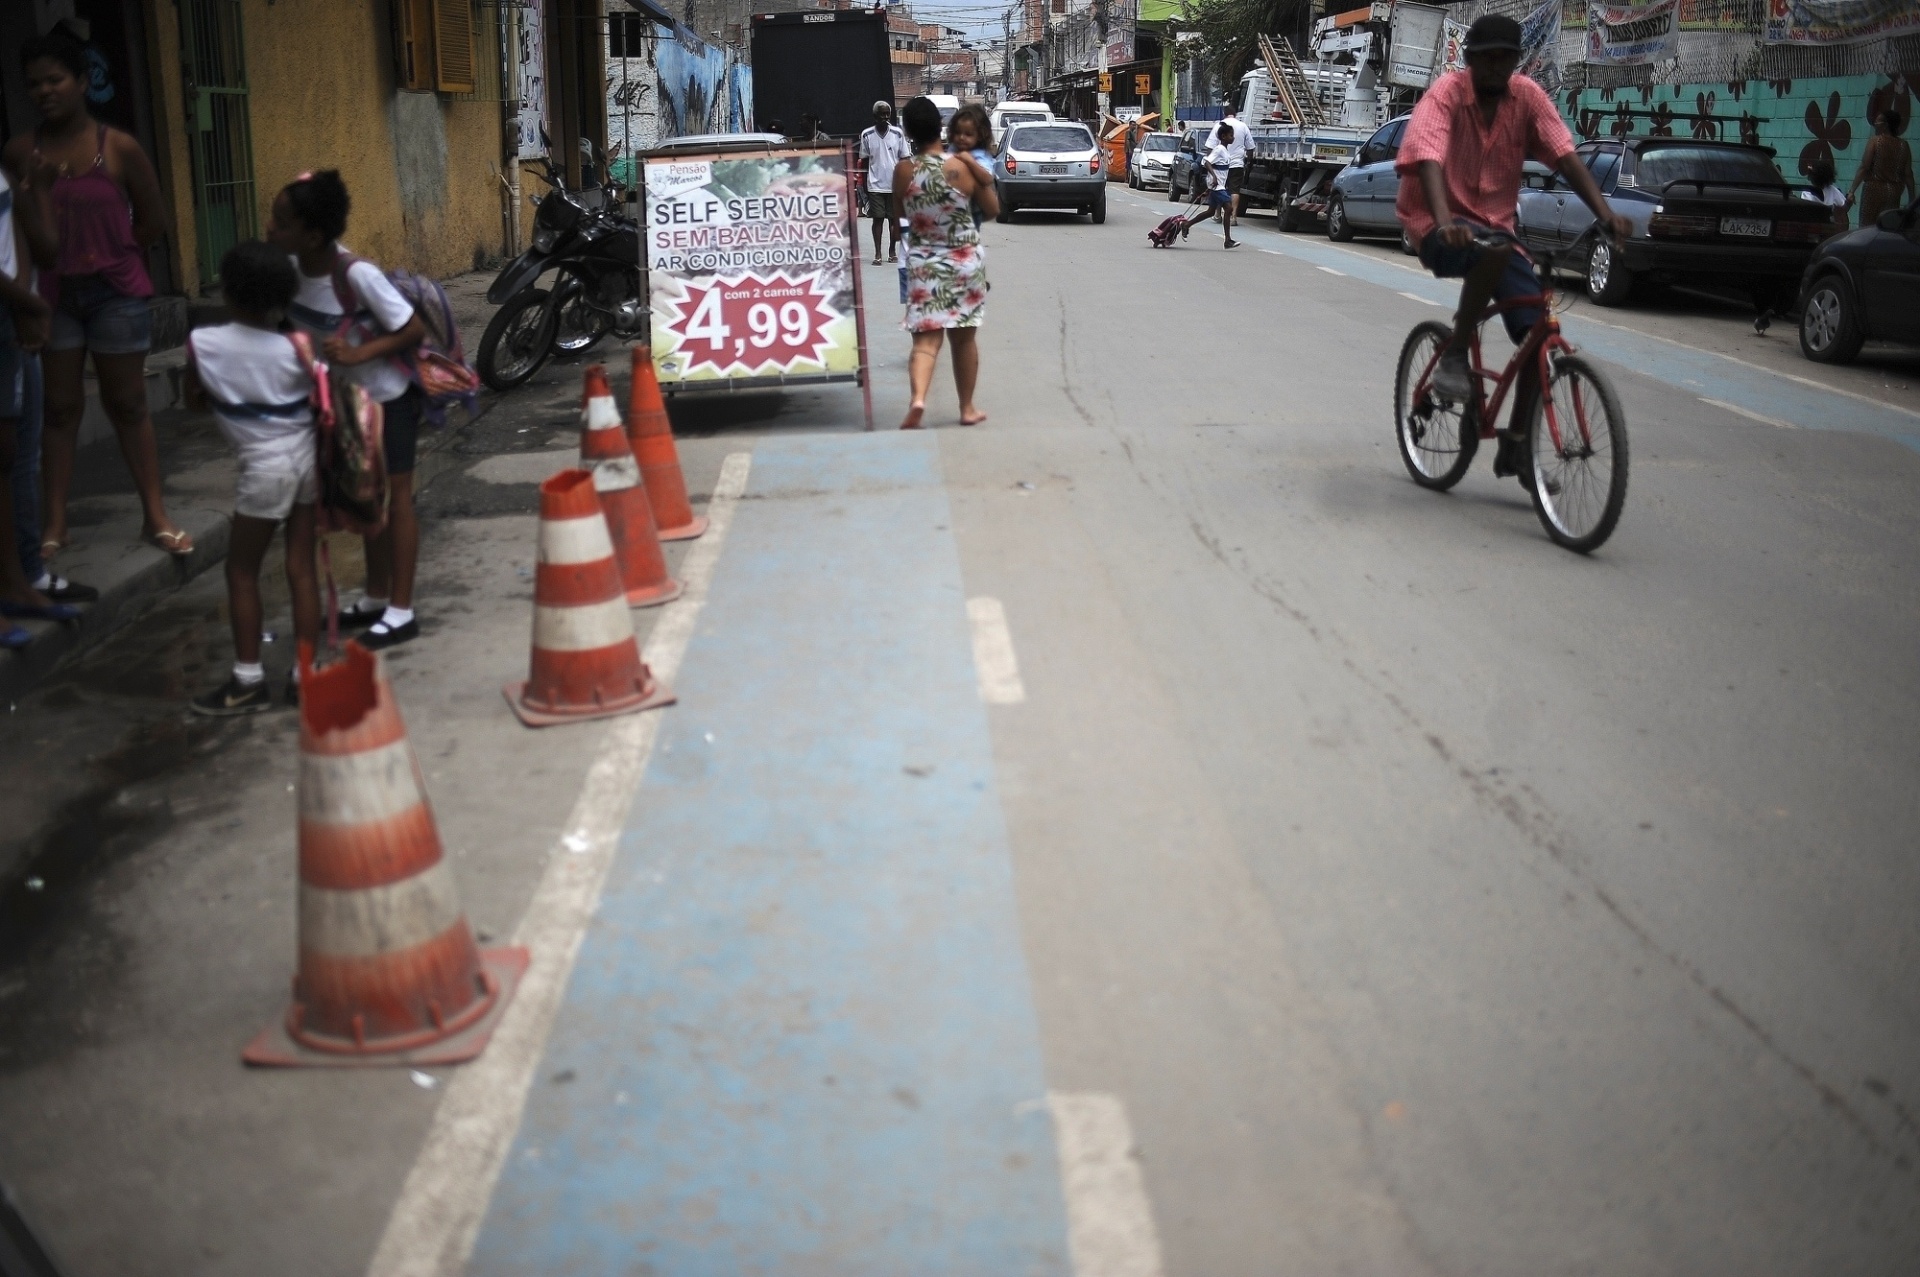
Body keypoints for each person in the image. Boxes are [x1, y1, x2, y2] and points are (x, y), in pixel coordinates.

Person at [1395, 13, 1629, 478]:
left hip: (1497, 226)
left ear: (1517, 61)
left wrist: (1605, 215)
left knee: (1536, 334)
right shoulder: (1446, 94)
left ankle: (1518, 443)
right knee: (1494, 250)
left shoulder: (1526, 97)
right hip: (1436, 223)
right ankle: (1458, 351)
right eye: (1488, 58)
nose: (1497, 68)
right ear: (1471, 60)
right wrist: (1444, 224)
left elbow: (1564, 154)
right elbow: (1428, 156)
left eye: (1507, 58)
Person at [5, 31, 193, 562]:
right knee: (60, 409)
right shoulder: (21, 153)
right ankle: (56, 522)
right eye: (34, 83)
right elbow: (14, 234)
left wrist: (118, 252)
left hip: (116, 293)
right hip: (54, 298)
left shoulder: (118, 147)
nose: (44, 91)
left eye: (55, 79)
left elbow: (153, 217)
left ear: (83, 82)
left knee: (129, 403)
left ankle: (154, 514)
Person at [267, 170, 427, 650]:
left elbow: (413, 329)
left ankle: (402, 611)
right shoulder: (291, 274)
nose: (270, 230)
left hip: (389, 399)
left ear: (313, 234)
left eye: (280, 223)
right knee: (367, 499)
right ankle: (377, 597)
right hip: (343, 405)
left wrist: (358, 354)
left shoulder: (354, 274)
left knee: (397, 498)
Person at [182, 241, 321, 715]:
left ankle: (247, 679)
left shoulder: (203, 344)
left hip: (263, 468)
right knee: (301, 568)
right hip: (308, 462)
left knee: (241, 571)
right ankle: (306, 675)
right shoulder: (297, 348)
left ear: (229, 293)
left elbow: (194, 398)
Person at [0, 156, 76, 648]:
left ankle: (14, 583)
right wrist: (27, 301)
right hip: (11, 310)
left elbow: (25, 242)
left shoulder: (8, 171)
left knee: (10, 460)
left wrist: (24, 297)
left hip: (10, 315)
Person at [894, 96, 995, 430]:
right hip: (964, 261)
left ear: (908, 131)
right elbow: (993, 209)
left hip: (924, 264)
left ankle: (918, 398)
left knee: (926, 342)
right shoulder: (961, 168)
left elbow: (899, 216)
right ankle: (966, 408)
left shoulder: (904, 170)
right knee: (964, 340)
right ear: (941, 126)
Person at [858, 101, 912, 265]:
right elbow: (864, 161)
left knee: (893, 220)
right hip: (875, 184)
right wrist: (865, 186)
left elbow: (905, 159)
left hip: (894, 185)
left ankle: (892, 251)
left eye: (888, 114)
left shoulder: (897, 134)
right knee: (878, 219)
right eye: (882, 114)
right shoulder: (867, 135)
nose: (885, 117)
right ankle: (877, 253)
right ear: (875, 116)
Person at [1850, 110, 1915, 229]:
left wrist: (1852, 190)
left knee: (1866, 227)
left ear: (1886, 125)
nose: (1875, 124)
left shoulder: (1875, 141)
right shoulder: (1904, 145)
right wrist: (1912, 198)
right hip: (1894, 192)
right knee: (1887, 228)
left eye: (1878, 121)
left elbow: (1864, 167)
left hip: (1873, 190)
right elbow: (1908, 174)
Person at [1182, 124, 1241, 248]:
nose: (1233, 137)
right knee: (1229, 209)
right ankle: (1228, 240)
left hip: (1219, 185)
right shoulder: (1219, 149)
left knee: (1210, 212)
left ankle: (1187, 225)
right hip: (1216, 186)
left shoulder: (1225, 150)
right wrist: (1213, 177)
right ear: (1223, 137)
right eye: (1231, 135)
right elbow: (1207, 162)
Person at [947, 104, 995, 230]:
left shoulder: (980, 156)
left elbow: (987, 179)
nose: (961, 138)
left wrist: (970, 162)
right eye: (958, 133)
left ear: (980, 135)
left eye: (968, 134)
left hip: (971, 212)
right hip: (950, 208)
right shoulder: (953, 149)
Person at [1205, 106, 1254, 216]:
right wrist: (1248, 163)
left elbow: (1210, 147)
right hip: (1237, 164)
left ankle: (1217, 214)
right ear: (1235, 114)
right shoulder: (1243, 126)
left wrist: (1211, 166)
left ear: (1224, 114)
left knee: (1219, 188)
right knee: (1235, 190)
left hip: (1221, 166)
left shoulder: (1219, 126)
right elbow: (1250, 148)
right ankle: (1234, 216)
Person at [1801, 157, 1850, 235]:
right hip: (1823, 229)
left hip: (1827, 229)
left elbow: (1843, 209)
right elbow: (1844, 207)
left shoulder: (1807, 192)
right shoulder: (1833, 190)